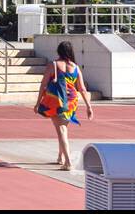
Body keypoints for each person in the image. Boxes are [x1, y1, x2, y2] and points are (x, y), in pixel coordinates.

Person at [35, 41, 94, 171]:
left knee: (61, 130)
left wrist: (38, 102)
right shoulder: (76, 67)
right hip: (72, 101)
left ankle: (68, 162)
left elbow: (43, 84)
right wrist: (88, 106)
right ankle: (60, 157)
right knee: (63, 127)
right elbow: (82, 88)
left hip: (57, 100)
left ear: (59, 51)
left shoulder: (53, 64)